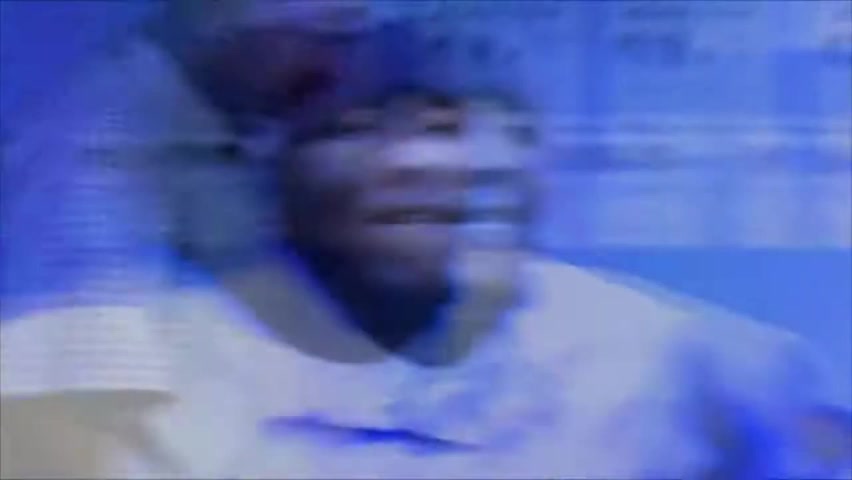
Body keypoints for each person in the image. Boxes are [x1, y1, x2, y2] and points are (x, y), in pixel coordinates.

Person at [3, 9, 850, 480]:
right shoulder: (145, 379)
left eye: (446, 128)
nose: (413, 165)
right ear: (276, 170)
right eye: (359, 129)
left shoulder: (672, 360)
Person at [0, 1, 381, 477]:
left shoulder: (220, 134)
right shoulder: (94, 158)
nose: (336, 69)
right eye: (322, 35)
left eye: (350, 35)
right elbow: (58, 425)